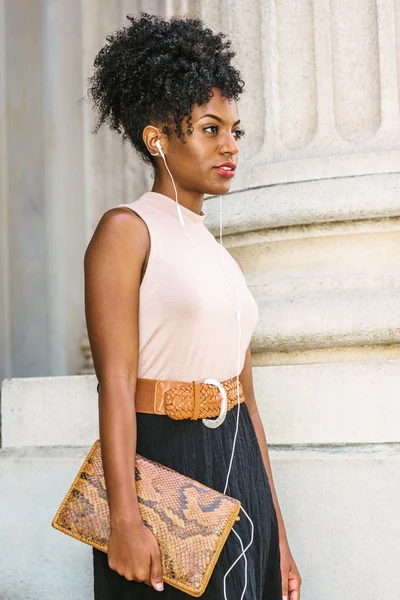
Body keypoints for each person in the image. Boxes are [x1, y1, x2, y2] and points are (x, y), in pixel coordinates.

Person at [84, 13, 301, 600]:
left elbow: (248, 400)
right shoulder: (126, 231)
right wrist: (124, 520)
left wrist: (278, 532)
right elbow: (115, 383)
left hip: (239, 462)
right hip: (162, 463)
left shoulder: (219, 252)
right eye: (211, 129)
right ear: (158, 137)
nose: (230, 145)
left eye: (235, 130)